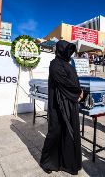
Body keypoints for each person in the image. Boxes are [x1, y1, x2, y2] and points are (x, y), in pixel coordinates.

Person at [40, 40, 83, 175]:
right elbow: (63, 82)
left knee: (68, 134)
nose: (69, 52)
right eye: (67, 49)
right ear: (60, 50)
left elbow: (73, 81)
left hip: (70, 104)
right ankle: (47, 162)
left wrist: (79, 91)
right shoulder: (55, 64)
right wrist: (78, 92)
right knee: (55, 132)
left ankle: (66, 163)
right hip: (58, 105)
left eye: (70, 50)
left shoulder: (67, 64)